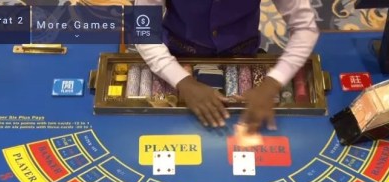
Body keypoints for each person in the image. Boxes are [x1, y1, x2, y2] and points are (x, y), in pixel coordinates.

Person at [135, 0, 319, 132]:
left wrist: (273, 83)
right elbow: (143, 31)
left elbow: (305, 28)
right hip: (179, 53)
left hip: (243, 54)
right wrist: (182, 80)